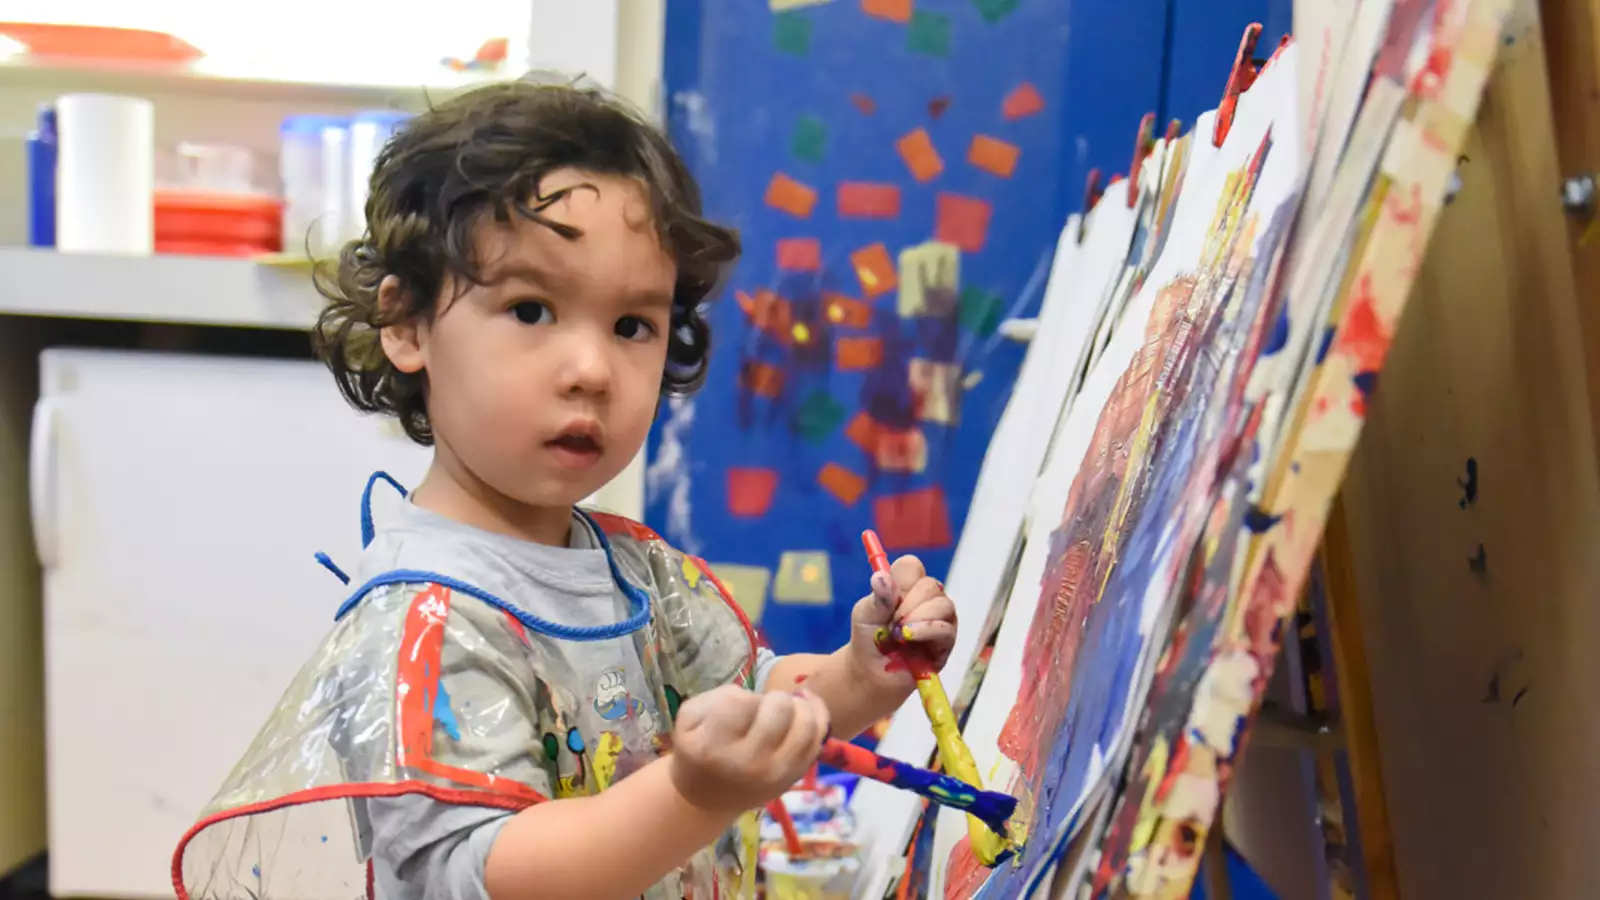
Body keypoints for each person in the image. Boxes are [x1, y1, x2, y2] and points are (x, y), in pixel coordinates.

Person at [171, 78, 959, 900]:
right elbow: (498, 873)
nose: (590, 370)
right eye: (531, 308)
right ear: (406, 325)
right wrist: (694, 795)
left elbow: (756, 712)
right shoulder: (426, 620)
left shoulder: (637, 570)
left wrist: (863, 674)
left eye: (631, 326)